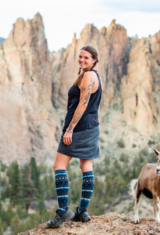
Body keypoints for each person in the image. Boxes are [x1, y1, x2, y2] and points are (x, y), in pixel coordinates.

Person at [47, 45, 102, 228]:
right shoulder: (94, 76)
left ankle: (63, 210)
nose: (82, 60)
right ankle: (82, 211)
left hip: (78, 128)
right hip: (92, 127)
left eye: (86, 57)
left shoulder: (87, 76)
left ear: (94, 60)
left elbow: (83, 104)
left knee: (59, 165)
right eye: (80, 57)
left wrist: (70, 129)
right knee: (86, 165)